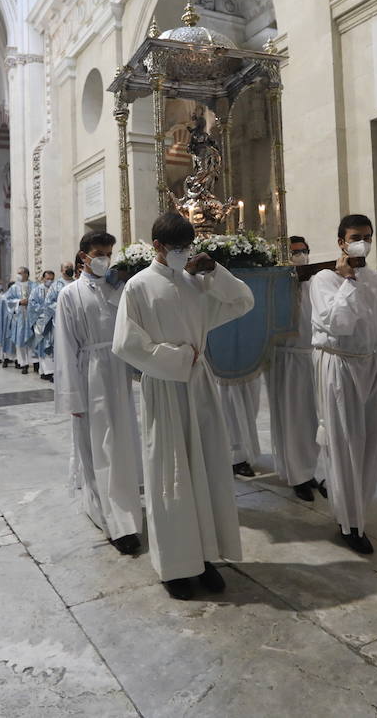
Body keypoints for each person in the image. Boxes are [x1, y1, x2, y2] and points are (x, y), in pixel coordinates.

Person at [113, 210, 254, 599]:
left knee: (206, 472)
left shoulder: (197, 284)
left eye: (186, 247)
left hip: (200, 387)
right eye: (174, 247)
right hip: (165, 387)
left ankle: (205, 557)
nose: (182, 253)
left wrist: (216, 271)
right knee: (170, 474)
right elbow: (125, 343)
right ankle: (175, 566)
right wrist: (175, 358)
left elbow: (243, 301)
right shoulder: (138, 287)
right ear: (156, 246)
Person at [311, 214, 377, 554]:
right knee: (345, 442)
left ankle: (360, 509)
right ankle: (349, 522)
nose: (363, 242)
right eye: (356, 236)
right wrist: (349, 281)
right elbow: (337, 324)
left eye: (368, 236)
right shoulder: (324, 280)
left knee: (374, 441)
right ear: (341, 241)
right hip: (340, 366)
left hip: (371, 367)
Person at [56, 232, 143, 554]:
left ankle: (124, 505)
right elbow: (65, 346)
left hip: (118, 372)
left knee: (121, 444)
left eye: (109, 253)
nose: (105, 258)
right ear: (83, 256)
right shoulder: (70, 294)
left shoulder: (117, 288)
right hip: (90, 376)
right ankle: (113, 521)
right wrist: (71, 396)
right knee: (99, 447)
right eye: (98, 253)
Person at [268, 236, 324, 501]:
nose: (300, 256)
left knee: (311, 419)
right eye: (294, 253)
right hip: (286, 359)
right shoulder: (277, 286)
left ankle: (309, 469)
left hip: (310, 357)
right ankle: (296, 474)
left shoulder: (317, 284)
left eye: (304, 251)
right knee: (291, 418)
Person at [217, 372, 264, 478]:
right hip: (226, 367)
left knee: (250, 407)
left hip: (249, 365)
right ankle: (236, 459)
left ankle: (242, 453)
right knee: (231, 410)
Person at [31, 269, 63, 382]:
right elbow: (32, 304)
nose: (49, 281)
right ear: (43, 278)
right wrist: (44, 310)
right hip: (42, 322)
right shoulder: (36, 290)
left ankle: (52, 371)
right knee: (43, 345)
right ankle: (45, 371)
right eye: (47, 278)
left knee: (52, 345)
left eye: (51, 279)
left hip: (54, 320)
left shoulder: (57, 288)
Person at [6, 268, 38, 374]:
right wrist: (19, 301)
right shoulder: (14, 287)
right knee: (20, 341)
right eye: (18, 273)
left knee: (33, 340)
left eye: (20, 273)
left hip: (32, 318)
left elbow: (39, 299)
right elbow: (8, 300)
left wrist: (30, 302)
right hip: (19, 319)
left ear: (26, 274)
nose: (18, 275)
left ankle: (35, 362)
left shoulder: (34, 286)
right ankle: (23, 363)